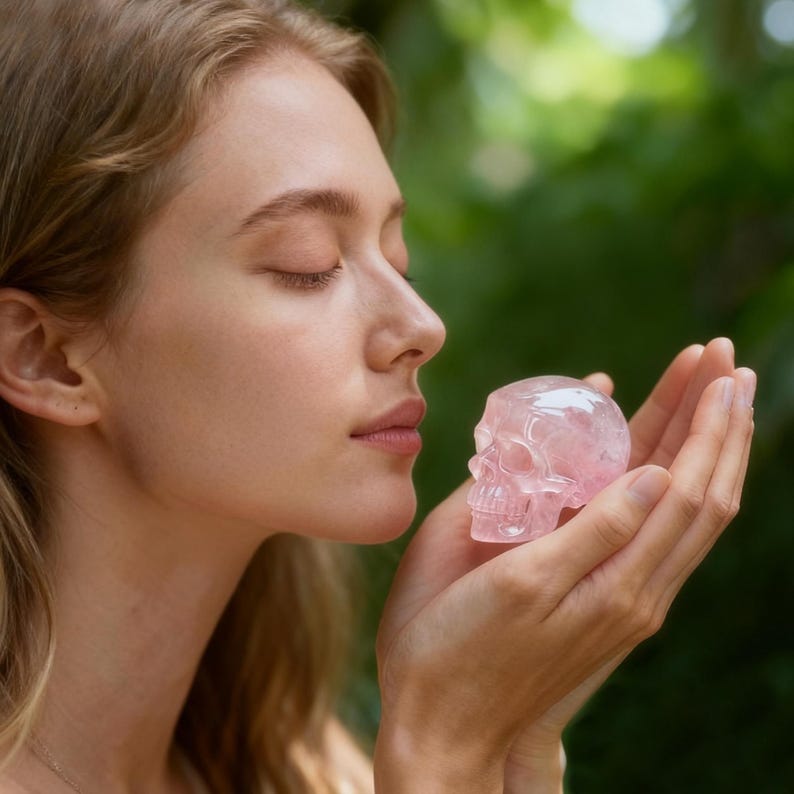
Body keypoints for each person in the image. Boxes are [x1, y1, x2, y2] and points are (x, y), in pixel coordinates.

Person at [0, 1, 755, 792]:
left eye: (398, 258)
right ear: (48, 357)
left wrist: (514, 740)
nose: (423, 325)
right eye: (309, 263)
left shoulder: (306, 769)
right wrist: (444, 750)